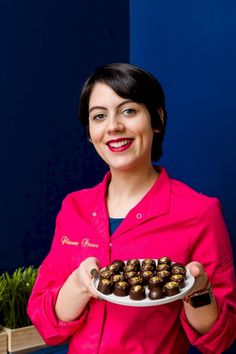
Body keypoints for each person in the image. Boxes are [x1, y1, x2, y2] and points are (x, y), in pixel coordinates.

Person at [28, 63, 236, 354]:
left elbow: (218, 339)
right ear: (90, 132)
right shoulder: (74, 208)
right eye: (99, 116)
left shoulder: (200, 212)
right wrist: (79, 283)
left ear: (157, 118)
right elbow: (46, 323)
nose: (113, 126)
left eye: (128, 111)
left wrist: (198, 289)